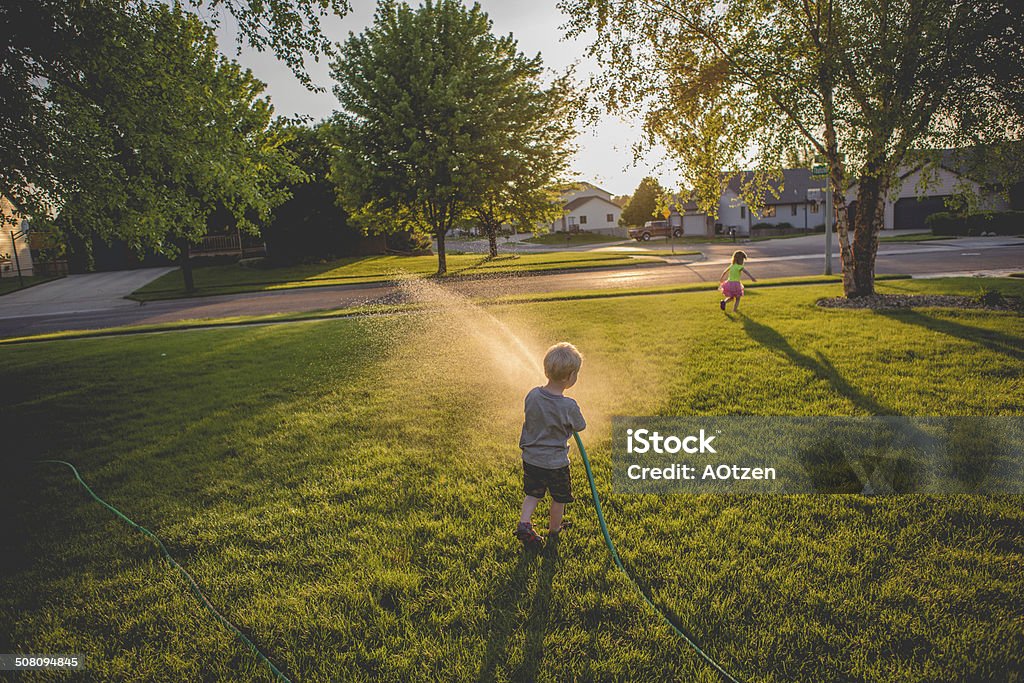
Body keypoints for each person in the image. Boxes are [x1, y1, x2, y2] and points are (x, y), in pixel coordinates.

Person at [514, 342, 587, 549]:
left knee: (533, 493)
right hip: (555, 463)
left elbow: (533, 414)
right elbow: (580, 426)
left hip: (532, 458)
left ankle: (524, 523)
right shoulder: (569, 406)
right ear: (569, 377)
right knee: (559, 497)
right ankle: (554, 530)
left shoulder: (532, 395)